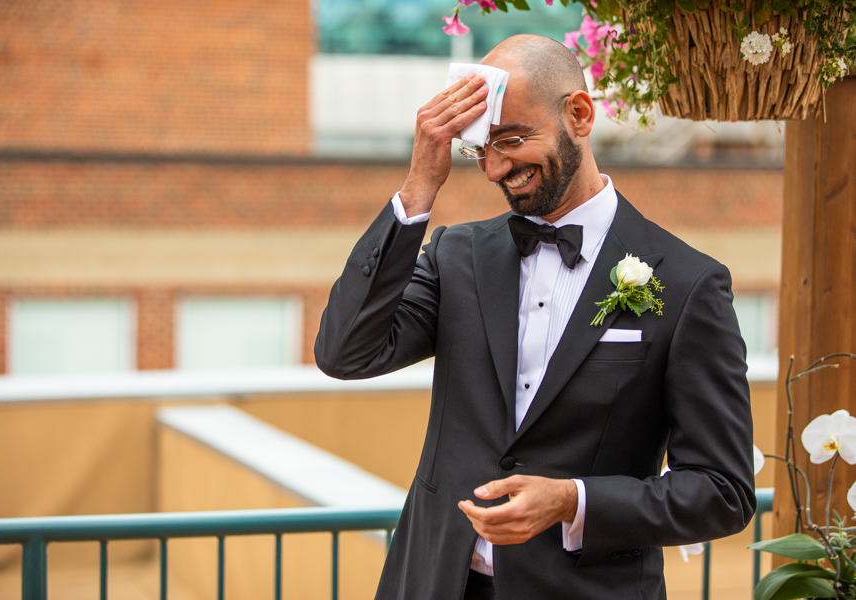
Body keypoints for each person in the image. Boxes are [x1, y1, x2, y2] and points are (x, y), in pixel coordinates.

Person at [315, 34, 755, 600]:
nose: (496, 167)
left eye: (513, 139)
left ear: (579, 113)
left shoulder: (689, 284)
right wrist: (420, 182)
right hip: (435, 583)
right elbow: (344, 352)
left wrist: (574, 501)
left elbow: (723, 491)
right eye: (482, 149)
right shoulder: (457, 256)